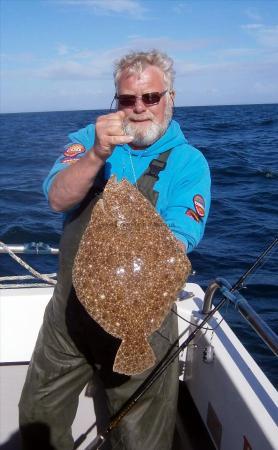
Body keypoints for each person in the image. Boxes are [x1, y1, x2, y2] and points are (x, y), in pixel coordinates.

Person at [19, 50, 211, 450]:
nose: (139, 108)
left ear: (170, 97)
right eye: (127, 100)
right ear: (115, 101)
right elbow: (57, 198)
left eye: (151, 97)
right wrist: (96, 156)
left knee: (140, 438)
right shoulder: (88, 141)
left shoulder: (189, 163)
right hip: (69, 316)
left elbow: (180, 238)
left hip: (145, 320)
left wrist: (136, 261)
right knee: (38, 416)